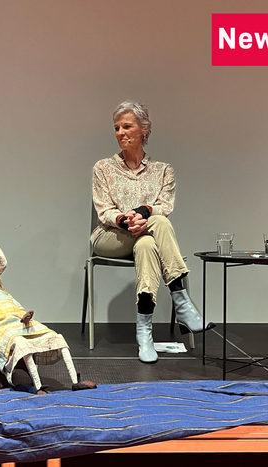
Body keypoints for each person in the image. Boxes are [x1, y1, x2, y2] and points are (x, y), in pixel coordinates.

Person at [91, 100, 214, 364]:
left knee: (148, 243)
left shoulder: (163, 170)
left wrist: (145, 212)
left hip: (146, 236)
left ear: (144, 130)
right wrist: (127, 220)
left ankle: (144, 334)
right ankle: (181, 300)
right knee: (158, 225)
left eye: (127, 126)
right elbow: (104, 211)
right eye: (116, 128)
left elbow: (164, 206)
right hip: (110, 237)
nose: (120, 133)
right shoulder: (102, 168)